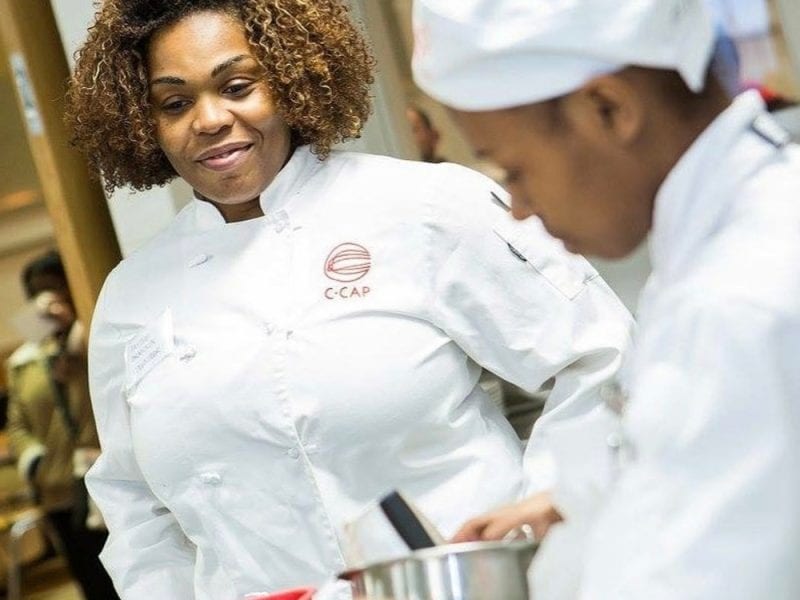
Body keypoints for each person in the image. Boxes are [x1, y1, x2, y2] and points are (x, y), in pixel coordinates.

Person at [64, 1, 633, 598]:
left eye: (237, 87)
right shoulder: (133, 295)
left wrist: (537, 530)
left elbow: (601, 361)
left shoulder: (423, 207)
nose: (209, 119)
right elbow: (135, 508)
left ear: (289, 80)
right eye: (174, 103)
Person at [413, 0, 800, 598]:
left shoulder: (739, 299)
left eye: (514, 171)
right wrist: (584, 499)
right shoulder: (727, 239)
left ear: (609, 109)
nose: (518, 208)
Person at [5, 250, 119, 600]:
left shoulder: (92, 336)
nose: (45, 299)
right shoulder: (24, 362)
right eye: (36, 291)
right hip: (59, 491)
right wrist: (35, 462)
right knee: (91, 582)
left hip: (108, 481)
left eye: (54, 287)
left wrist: (73, 328)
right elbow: (18, 424)